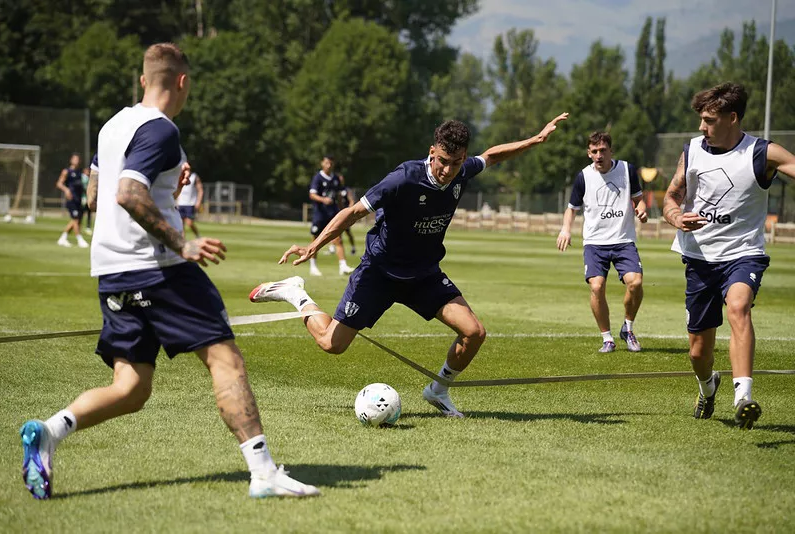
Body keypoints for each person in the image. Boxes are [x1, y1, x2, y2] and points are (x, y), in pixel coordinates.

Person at [19, 43, 319, 500]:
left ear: (144, 79)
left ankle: (49, 431)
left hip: (113, 272)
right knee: (224, 358)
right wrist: (183, 241)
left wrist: (164, 189)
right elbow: (126, 194)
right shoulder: (161, 131)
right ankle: (263, 472)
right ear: (183, 82)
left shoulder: (113, 126)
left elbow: (97, 200)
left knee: (132, 387)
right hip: (158, 269)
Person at [249, 114, 568, 418]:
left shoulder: (462, 171)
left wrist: (536, 140)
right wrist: (314, 245)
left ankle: (438, 390)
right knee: (331, 344)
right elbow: (354, 212)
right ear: (432, 152)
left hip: (423, 275)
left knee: (474, 332)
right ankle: (296, 293)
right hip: (379, 272)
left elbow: (493, 156)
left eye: (456, 163)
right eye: (442, 161)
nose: (447, 170)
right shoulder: (403, 178)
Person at [662, 82, 795, 429]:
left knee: (738, 307)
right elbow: (670, 198)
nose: (702, 127)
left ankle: (743, 397)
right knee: (698, 352)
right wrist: (677, 217)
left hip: (743, 254)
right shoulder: (692, 151)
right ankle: (709, 387)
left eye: (709, 120)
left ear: (732, 117)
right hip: (700, 258)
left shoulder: (762, 153)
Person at [557, 132, 648, 353]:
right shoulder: (583, 177)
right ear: (589, 153)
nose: (599, 155)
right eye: (594, 151)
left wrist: (642, 210)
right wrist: (566, 229)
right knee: (596, 287)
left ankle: (628, 328)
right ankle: (607, 338)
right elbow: (572, 208)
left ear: (610, 151)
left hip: (624, 240)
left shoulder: (627, 170)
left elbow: (639, 200)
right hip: (595, 243)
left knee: (635, 283)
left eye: (603, 150)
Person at [308, 155, 354, 276]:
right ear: (322, 163)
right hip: (320, 213)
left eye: (331, 163)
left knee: (338, 238)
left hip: (332, 213)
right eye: (327, 163)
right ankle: (313, 265)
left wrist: (341, 209)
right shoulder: (317, 178)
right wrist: (323, 200)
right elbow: (312, 195)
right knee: (316, 239)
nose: (329, 165)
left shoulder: (335, 178)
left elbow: (339, 194)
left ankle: (343, 265)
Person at [55, 153, 88, 248]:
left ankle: (63, 238)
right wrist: (66, 190)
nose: (76, 161)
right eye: (75, 159)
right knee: (76, 219)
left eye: (78, 159)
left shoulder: (80, 172)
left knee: (77, 220)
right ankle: (80, 239)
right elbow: (59, 183)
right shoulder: (66, 171)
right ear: (71, 160)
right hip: (71, 199)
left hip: (79, 199)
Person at [175, 168, 203, 237]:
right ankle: (183, 241)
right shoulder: (179, 176)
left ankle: (198, 235)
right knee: (181, 225)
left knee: (189, 223)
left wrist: (198, 202)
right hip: (180, 204)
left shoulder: (194, 177)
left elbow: (200, 190)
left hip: (190, 204)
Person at [335, 173, 357, 255]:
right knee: (334, 231)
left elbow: (351, 201)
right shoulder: (335, 189)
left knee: (348, 232)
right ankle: (333, 248)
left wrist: (349, 211)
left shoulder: (346, 189)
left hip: (345, 214)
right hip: (337, 213)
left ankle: (353, 248)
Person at [80, 167, 93, 234]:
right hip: (83, 198)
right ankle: (79, 226)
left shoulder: (88, 178)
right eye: (87, 171)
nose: (88, 172)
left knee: (88, 213)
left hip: (87, 198)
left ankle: (87, 227)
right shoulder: (82, 177)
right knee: (81, 213)